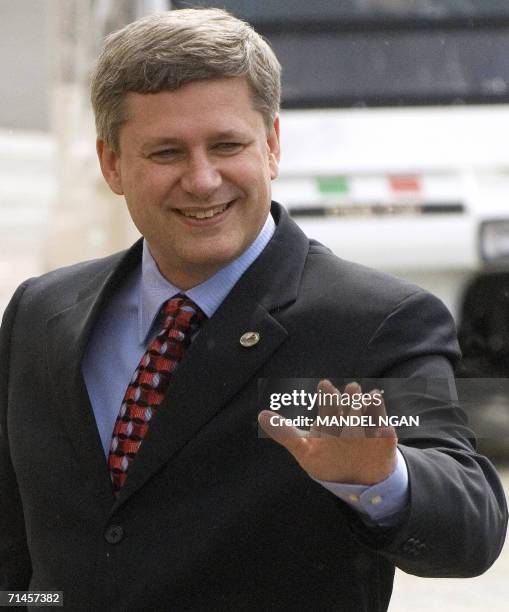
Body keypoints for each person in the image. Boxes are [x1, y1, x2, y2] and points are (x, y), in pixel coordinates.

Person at [0, 8, 506, 611]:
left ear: (270, 145)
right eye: (166, 153)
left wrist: (382, 480)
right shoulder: (42, 311)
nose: (203, 179)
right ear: (112, 164)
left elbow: (469, 527)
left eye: (226, 145)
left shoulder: (374, 322)